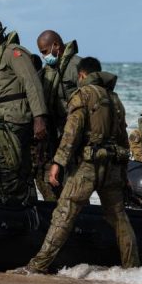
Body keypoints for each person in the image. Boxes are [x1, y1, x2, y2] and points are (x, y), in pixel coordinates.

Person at [9, 57, 140, 274]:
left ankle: (37, 266)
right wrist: (124, 172)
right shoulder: (115, 100)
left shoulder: (82, 95)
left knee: (64, 214)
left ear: (81, 75)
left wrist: (57, 163)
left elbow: (71, 134)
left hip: (86, 168)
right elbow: (123, 140)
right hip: (112, 167)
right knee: (119, 218)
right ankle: (133, 269)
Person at [0, 19, 48, 202]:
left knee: (10, 164)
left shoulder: (14, 53)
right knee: (13, 164)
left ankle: (19, 202)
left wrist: (39, 117)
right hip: (4, 115)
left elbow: (32, 84)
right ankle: (18, 200)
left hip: (17, 118)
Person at [33, 30, 83, 202]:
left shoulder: (77, 66)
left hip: (75, 133)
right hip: (55, 134)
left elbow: (92, 97)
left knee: (74, 182)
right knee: (51, 180)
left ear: (56, 46)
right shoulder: (47, 72)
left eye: (45, 51)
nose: (43, 56)